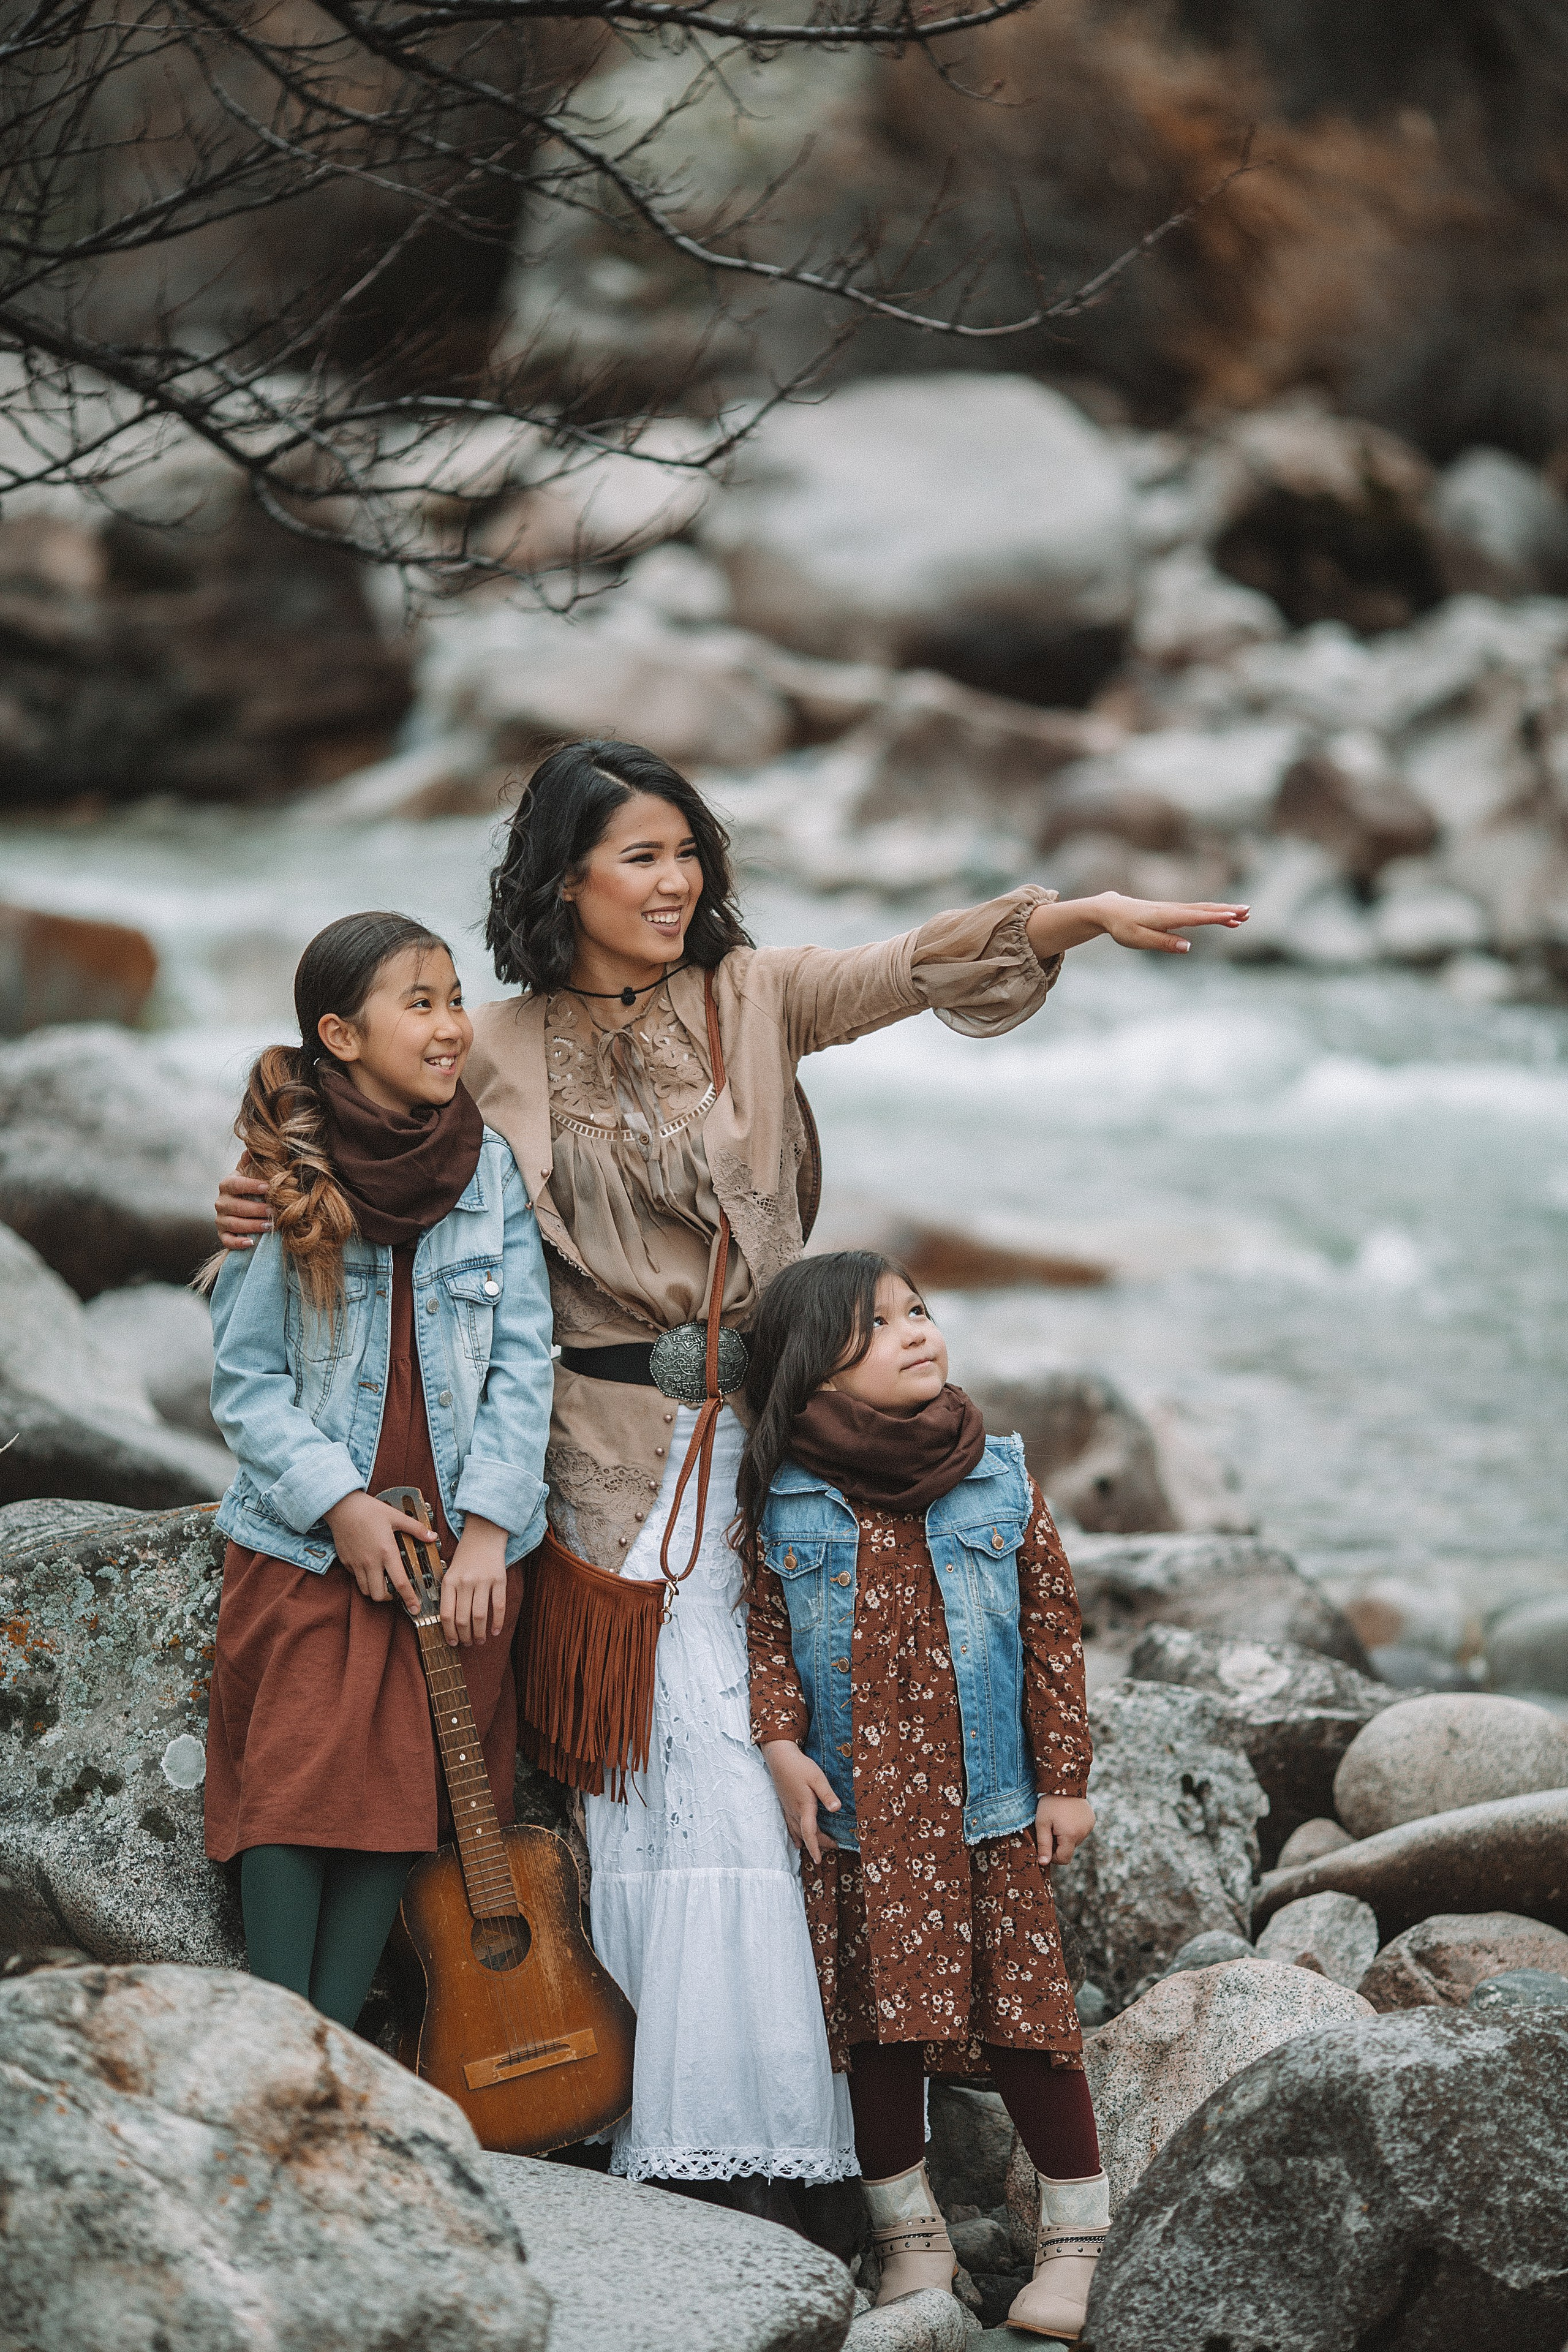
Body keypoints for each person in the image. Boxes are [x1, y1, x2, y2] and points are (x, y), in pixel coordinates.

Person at [213, 737, 1246, 2198]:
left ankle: (816, 2144)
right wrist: (254, 1189)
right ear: (562, 877)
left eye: (688, 851)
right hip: (589, 1461)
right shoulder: (488, 1045)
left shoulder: (752, 997)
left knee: (786, 1772)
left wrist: (1066, 918)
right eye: (639, 854)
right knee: (669, 1779)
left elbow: (904, 966)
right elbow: (367, 1155)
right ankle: (692, 2132)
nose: (676, 879)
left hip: (770, 1452)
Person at [736, 1251, 1107, 2342]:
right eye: (877, 1326)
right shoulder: (786, 1499)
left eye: (919, 1309)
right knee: (876, 2031)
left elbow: (1053, 1634)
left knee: (1030, 2024)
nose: (915, 1331)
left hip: (987, 1814)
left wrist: (1066, 1782)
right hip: (860, 1822)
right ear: (814, 1377)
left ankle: (1076, 2239)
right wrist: (777, 1741)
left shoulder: (999, 1476)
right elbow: (763, 1631)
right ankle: (911, 2238)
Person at [204, 911, 554, 2029]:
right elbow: (246, 1383)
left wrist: (493, 1527)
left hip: (454, 1551)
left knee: (410, 1798)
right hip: (310, 1544)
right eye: (423, 1003)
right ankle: (276, 2034)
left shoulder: (488, 1168)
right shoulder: (288, 1175)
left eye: (457, 999)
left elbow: (522, 1364)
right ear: (340, 1035)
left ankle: (339, 2048)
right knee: (295, 1783)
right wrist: (342, 1506)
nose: (453, 1026)